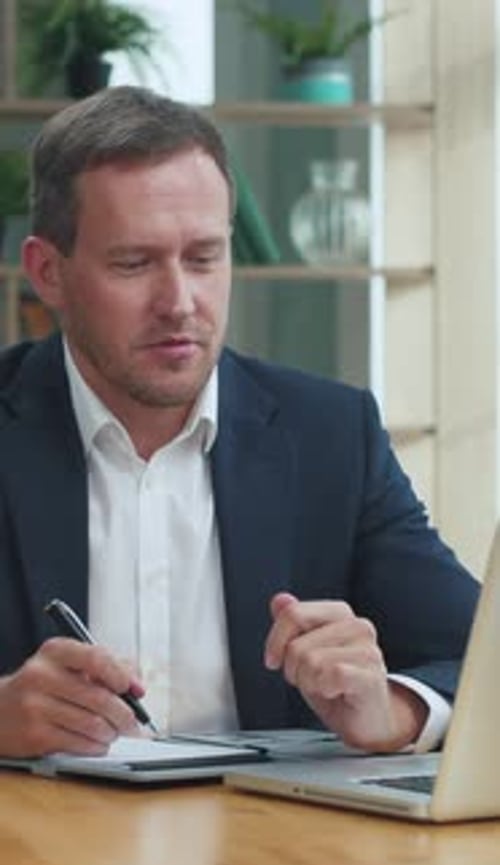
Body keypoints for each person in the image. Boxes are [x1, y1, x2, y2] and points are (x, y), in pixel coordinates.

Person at [0, 86, 479, 759]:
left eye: (204, 258)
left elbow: (480, 660)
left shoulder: (332, 435)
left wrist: (393, 709)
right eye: (134, 264)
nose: (179, 302)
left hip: (270, 846)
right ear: (48, 273)